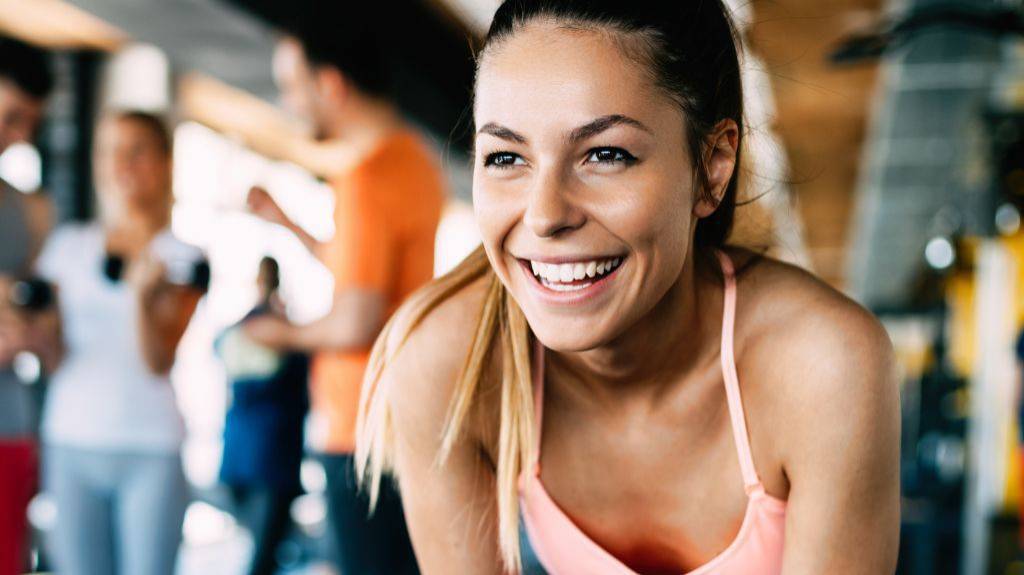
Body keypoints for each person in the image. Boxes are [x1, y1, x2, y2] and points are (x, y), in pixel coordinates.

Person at [356, 1, 902, 574]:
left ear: (712, 166)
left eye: (605, 154)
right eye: (506, 157)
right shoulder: (451, 361)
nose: (544, 216)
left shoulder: (825, 364)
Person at [242, 6, 445, 574]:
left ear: (330, 84)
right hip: (399, 419)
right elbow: (362, 271)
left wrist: (273, 332)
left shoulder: (366, 178)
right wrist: (288, 224)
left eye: (292, 86)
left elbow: (355, 320)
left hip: (359, 430)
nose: (289, 103)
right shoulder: (413, 162)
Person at [33, 111, 204, 575]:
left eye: (137, 151)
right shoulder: (67, 247)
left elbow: (157, 361)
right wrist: (32, 332)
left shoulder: (185, 258)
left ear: (166, 162)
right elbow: (54, 357)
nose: (121, 165)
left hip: (150, 446)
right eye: (109, 152)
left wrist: (141, 299)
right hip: (70, 440)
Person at [216, 256, 308, 575]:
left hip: (245, 450)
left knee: (260, 549)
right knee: (263, 552)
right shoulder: (278, 331)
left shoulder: (239, 330)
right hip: (270, 452)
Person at [0, 35, 54, 575]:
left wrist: (33, 332)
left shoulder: (27, 211)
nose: (18, 138)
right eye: (12, 116)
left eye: (28, 125)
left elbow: (42, 319)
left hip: (8, 427)